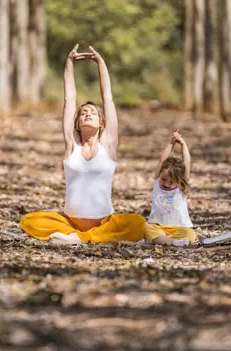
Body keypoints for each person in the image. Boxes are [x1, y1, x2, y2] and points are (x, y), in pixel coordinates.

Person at [19, 44, 146, 244]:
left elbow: (108, 98)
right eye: (83, 113)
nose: (87, 114)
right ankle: (87, 238)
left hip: (104, 222)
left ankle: (78, 239)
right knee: (29, 220)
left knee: (138, 223)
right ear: (77, 123)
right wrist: (69, 64)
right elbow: (69, 99)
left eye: (93, 113)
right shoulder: (72, 146)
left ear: (101, 122)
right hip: (70, 222)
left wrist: (101, 63)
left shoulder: (109, 145)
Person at [145, 130, 197, 246]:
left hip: (178, 228)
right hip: (158, 227)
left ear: (179, 181)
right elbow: (161, 160)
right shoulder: (157, 182)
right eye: (164, 179)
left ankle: (169, 241)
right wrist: (171, 143)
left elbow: (187, 162)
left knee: (190, 233)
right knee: (147, 229)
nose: (167, 184)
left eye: (171, 182)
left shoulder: (180, 187)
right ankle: (171, 242)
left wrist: (183, 144)